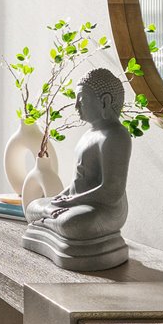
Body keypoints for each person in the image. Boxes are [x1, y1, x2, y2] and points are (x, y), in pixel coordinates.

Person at [23, 67, 131, 270]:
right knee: (32, 207)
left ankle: (49, 220)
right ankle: (50, 214)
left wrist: (72, 201)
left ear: (105, 101)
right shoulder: (88, 135)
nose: (76, 105)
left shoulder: (116, 136)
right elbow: (77, 183)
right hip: (78, 203)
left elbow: (111, 192)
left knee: (72, 224)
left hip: (104, 209)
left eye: (81, 99)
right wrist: (59, 199)